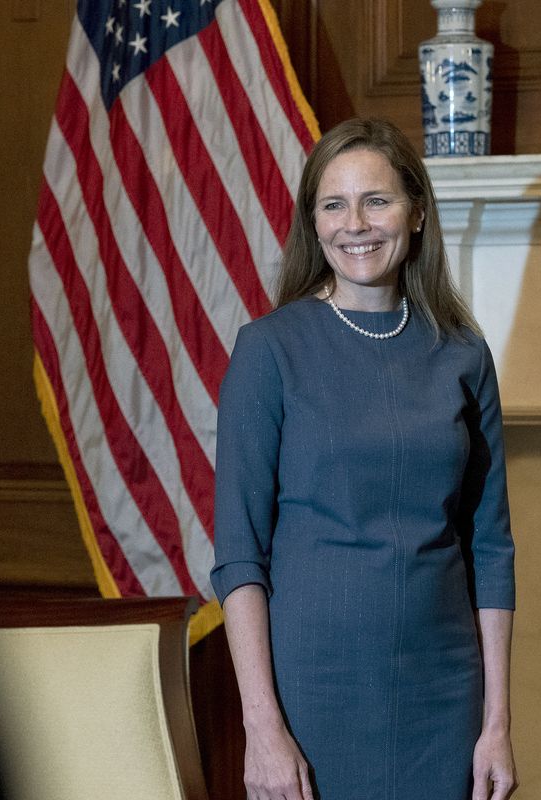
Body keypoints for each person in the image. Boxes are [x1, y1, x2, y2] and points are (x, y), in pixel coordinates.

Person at [211, 118, 517, 800]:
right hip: (314, 692)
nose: (357, 223)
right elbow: (239, 555)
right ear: (312, 223)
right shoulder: (269, 350)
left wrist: (496, 722)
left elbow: (491, 549)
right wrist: (262, 727)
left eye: (376, 200)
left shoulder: (463, 353)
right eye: (333, 204)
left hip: (447, 691)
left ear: (415, 213)